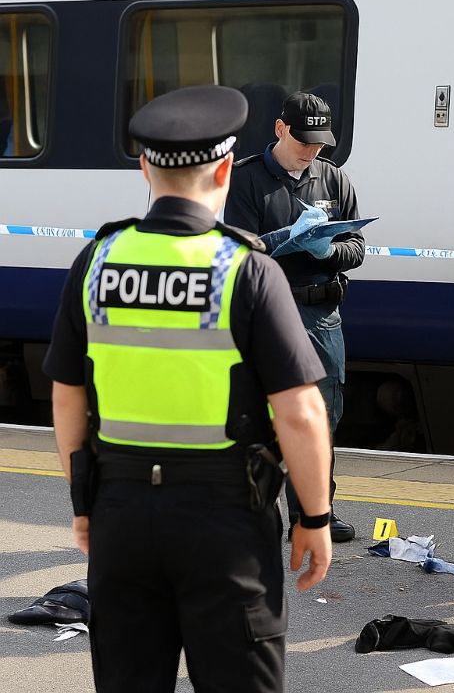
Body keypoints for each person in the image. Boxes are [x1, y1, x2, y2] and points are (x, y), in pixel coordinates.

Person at [43, 85, 333, 692]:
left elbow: (68, 396)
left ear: (145, 169)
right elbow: (301, 413)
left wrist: (84, 504)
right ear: (225, 170)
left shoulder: (96, 261)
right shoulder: (246, 270)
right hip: (225, 521)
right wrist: (314, 515)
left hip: (121, 514)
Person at [225, 91, 363, 542]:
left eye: (320, 143)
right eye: (304, 141)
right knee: (263, 416)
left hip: (322, 314)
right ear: (280, 129)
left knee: (321, 416)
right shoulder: (247, 179)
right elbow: (239, 251)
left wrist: (327, 251)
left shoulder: (334, 179)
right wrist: (287, 238)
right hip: (269, 312)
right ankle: (256, 512)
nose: (312, 150)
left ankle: (313, 514)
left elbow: (357, 249)